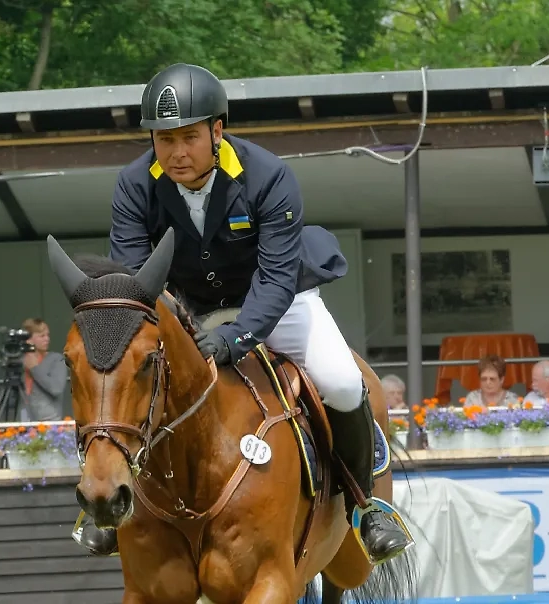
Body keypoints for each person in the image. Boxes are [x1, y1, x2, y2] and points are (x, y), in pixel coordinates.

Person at [73, 62, 412, 563]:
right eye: (164, 139)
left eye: (189, 137)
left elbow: (275, 280)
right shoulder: (134, 185)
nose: (176, 152)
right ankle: (107, 501)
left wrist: (235, 339)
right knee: (123, 374)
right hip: (189, 309)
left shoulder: (268, 175)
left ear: (217, 131)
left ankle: (367, 505)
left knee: (342, 382)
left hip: (279, 300)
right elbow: (136, 282)